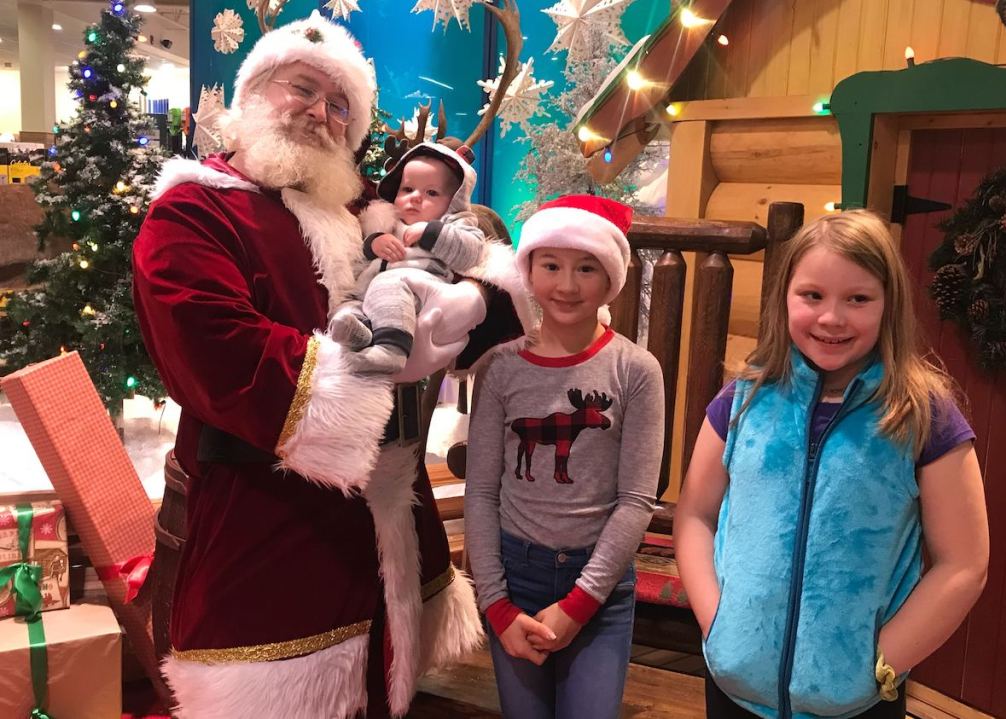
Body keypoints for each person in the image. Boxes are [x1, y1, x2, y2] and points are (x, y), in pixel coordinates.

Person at [132, 13, 523, 718]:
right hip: (267, 521)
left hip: (387, 515)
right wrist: (382, 373)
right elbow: (219, 355)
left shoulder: (365, 213)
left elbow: (484, 300)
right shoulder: (192, 210)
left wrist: (472, 298)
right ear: (254, 93)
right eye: (301, 89)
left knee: (382, 688)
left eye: (340, 104)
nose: (320, 111)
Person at [674, 210, 989, 719]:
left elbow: (964, 564)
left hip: (855, 700)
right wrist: (718, 622)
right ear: (785, 298)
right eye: (813, 295)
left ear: (889, 305)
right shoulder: (741, 403)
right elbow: (695, 514)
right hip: (734, 689)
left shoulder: (923, 416)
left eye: (858, 299)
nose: (832, 318)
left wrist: (883, 661)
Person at [464, 195, 665, 718]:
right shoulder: (500, 370)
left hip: (597, 586)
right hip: (514, 577)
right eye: (551, 265)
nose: (567, 285)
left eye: (586, 268)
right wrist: (497, 604)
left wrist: (580, 604)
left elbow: (637, 499)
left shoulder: (636, 370)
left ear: (611, 278)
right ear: (528, 270)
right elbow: (483, 492)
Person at [332, 141, 515, 374]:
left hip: (416, 289)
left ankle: (391, 351)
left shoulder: (453, 225)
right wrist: (374, 243)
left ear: (453, 202)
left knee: (389, 284)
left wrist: (431, 233)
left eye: (431, 193)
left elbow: (472, 252)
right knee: (346, 305)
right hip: (369, 293)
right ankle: (357, 334)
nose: (416, 198)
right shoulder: (387, 221)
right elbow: (362, 255)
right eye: (407, 189)